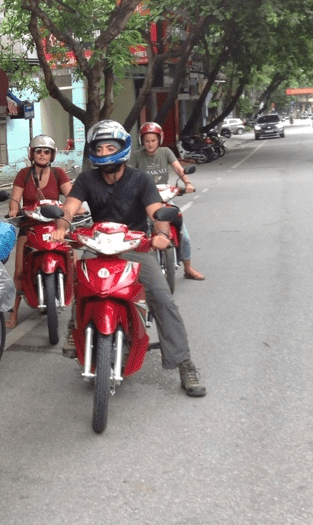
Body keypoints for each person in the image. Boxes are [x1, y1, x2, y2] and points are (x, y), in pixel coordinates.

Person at [51, 120, 207, 397]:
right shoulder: (87, 179)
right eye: (99, 147)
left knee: (161, 297)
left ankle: (184, 362)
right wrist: (61, 227)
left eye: (110, 146)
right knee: (80, 280)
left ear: (122, 148)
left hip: (135, 245)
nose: (104, 151)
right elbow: (69, 208)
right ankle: (75, 329)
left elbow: (156, 212)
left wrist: (161, 234)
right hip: (98, 244)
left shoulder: (140, 179)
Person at [5, 135, 73, 328]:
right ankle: (13, 314)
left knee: (74, 260)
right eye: (38, 151)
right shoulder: (24, 174)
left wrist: (76, 208)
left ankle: (77, 313)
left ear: (52, 155)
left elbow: (71, 196)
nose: (42, 155)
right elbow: (15, 198)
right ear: (31, 153)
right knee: (18, 271)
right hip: (29, 225)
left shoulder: (59, 174)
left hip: (55, 226)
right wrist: (13, 208)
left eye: (46, 152)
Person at [129, 122, 204, 281]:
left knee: (183, 231)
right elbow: (128, 175)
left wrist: (187, 184)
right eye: (147, 140)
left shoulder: (166, 152)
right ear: (142, 141)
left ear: (159, 140)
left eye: (153, 140)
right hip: (143, 201)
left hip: (164, 198)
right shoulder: (136, 156)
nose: (150, 144)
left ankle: (188, 268)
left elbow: (178, 168)